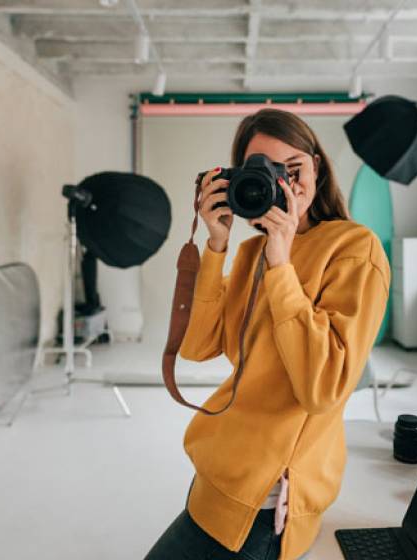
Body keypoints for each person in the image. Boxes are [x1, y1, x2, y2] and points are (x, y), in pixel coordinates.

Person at [145, 108, 390, 560]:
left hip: (265, 500)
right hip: (217, 471)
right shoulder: (249, 250)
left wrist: (282, 263)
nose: (285, 187)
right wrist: (216, 244)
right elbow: (198, 348)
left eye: (293, 170)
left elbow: (324, 388)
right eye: (266, 173)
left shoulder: (354, 249)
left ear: (317, 166)